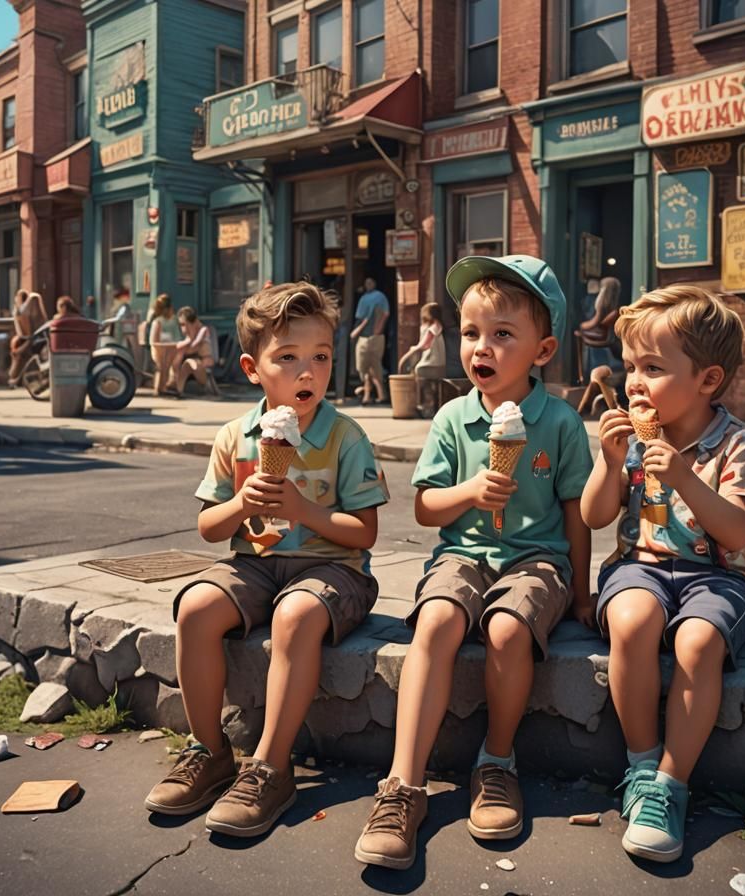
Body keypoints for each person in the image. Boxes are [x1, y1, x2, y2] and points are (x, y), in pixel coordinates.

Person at [354, 255, 594, 870]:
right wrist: (470, 491)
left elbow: (576, 515)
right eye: (470, 332)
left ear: (541, 351)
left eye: (501, 335)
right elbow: (427, 509)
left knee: (507, 629)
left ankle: (497, 761)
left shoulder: (562, 421)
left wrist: (582, 591)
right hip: (463, 553)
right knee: (435, 623)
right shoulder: (452, 417)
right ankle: (403, 784)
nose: (480, 347)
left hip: (538, 560)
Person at [143, 281, 390, 837]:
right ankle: (210, 751)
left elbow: (364, 533)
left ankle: (272, 766)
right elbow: (209, 528)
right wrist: (238, 503)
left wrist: (304, 509)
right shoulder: (237, 435)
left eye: (321, 358)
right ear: (254, 369)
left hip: (334, 569)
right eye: (289, 358)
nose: (308, 372)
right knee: (197, 609)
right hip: (254, 564)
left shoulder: (346, 437)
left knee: (294, 616)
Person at [579, 284, 745, 863]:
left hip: (716, 578)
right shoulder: (633, 440)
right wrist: (611, 461)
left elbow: (737, 533)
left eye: (653, 367)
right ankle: (641, 765)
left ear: (707, 380)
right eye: (630, 365)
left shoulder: (739, 442)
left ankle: (670, 782)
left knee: (697, 641)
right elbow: (594, 516)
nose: (633, 381)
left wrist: (687, 477)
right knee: (633, 620)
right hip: (640, 567)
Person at [397, 302, 446, 417]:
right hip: (437, 363)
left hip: (433, 363)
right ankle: (428, 405)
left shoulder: (434, 326)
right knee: (419, 374)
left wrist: (410, 352)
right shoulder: (435, 326)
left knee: (418, 373)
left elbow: (424, 344)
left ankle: (422, 404)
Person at [350, 276, 390, 405]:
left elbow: (385, 313)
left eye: (370, 282)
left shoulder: (380, 297)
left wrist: (378, 330)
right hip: (364, 336)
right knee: (365, 367)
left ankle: (370, 394)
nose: (368, 284)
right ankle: (374, 394)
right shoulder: (363, 298)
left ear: (375, 283)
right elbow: (360, 318)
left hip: (375, 336)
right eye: (366, 282)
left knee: (373, 366)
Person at [577, 275, 623, 375]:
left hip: (601, 339)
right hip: (610, 338)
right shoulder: (616, 308)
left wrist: (580, 326)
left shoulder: (602, 306)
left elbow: (595, 323)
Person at [172, 306, 218, 396]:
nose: (183, 328)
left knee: (189, 363)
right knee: (180, 359)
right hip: (194, 362)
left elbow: (193, 347)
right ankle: (177, 388)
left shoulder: (203, 330)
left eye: (184, 324)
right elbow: (180, 347)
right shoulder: (189, 335)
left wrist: (190, 337)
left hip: (205, 363)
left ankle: (178, 387)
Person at [7, 290, 47, 386]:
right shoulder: (22, 313)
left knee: (19, 354)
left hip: (36, 342)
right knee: (18, 353)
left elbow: (27, 336)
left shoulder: (23, 314)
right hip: (33, 341)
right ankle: (15, 378)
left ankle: (15, 378)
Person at [148, 292, 182, 396]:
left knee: (170, 360)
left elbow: (178, 338)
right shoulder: (157, 322)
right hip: (159, 350)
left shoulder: (174, 320)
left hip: (173, 349)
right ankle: (160, 387)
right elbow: (154, 342)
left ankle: (169, 385)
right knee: (163, 362)